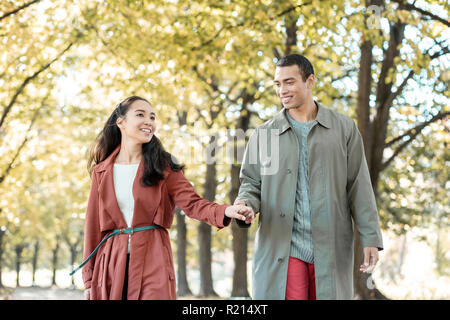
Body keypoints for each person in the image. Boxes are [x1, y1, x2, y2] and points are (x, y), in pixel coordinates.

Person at [74, 95, 254, 300]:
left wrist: (226, 210)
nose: (149, 122)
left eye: (152, 117)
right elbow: (93, 226)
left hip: (153, 258)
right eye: (140, 115)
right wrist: (89, 280)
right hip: (111, 263)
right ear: (121, 122)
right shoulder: (102, 171)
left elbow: (193, 204)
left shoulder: (163, 165)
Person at [234, 54, 383, 300]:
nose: (282, 90)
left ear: (310, 81)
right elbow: (251, 184)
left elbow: (359, 186)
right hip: (284, 247)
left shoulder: (344, 129)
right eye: (278, 84)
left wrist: (370, 237)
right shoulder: (264, 135)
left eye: (289, 82)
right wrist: (245, 205)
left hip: (331, 247)